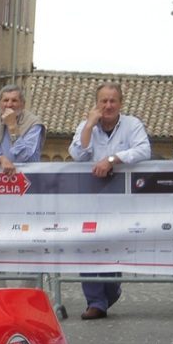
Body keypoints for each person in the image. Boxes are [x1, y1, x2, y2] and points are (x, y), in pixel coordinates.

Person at [68, 82, 153, 320]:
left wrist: (113, 158)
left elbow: (144, 150)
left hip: (121, 200)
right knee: (88, 246)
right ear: (96, 104)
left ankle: (109, 293)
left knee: (113, 246)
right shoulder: (87, 126)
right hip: (90, 198)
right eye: (103, 101)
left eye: (112, 101)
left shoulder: (132, 124)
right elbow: (77, 154)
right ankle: (94, 302)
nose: (108, 106)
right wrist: (88, 127)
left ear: (120, 104)